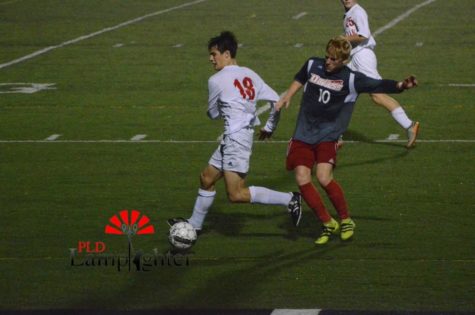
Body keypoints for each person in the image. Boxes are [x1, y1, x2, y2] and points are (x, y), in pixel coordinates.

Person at [276, 36, 417, 245]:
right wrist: (288, 95)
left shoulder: (352, 79)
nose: (328, 62)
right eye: (327, 57)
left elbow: (378, 84)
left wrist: (401, 85)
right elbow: (300, 76)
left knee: (323, 177)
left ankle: (346, 220)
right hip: (304, 133)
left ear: (343, 61)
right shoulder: (313, 64)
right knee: (302, 178)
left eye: (333, 59)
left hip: (328, 135)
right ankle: (327, 222)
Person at [168, 31, 302, 232]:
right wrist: (269, 127)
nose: (210, 58)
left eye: (214, 54)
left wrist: (221, 108)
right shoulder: (250, 73)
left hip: (236, 140)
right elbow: (277, 100)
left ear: (227, 54)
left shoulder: (216, 80)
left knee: (236, 194)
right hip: (236, 137)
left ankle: (290, 199)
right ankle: (194, 225)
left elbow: (212, 114)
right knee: (206, 178)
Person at [340, 0, 420, 148]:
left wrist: (343, 38)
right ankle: (335, 134)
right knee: (340, 89)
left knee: (378, 95)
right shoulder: (349, 14)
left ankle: (409, 125)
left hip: (363, 57)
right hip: (356, 58)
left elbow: (364, 35)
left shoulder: (357, 11)